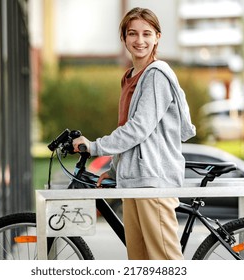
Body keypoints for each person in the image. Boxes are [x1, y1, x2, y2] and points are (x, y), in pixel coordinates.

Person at [72, 7, 196, 260]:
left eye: (146, 33)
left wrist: (94, 147)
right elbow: (125, 129)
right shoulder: (130, 77)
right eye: (132, 34)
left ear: (157, 37)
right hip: (135, 181)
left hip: (153, 179)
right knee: (139, 262)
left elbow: (139, 128)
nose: (139, 40)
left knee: (165, 261)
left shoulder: (156, 76)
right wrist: (117, 171)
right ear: (124, 38)